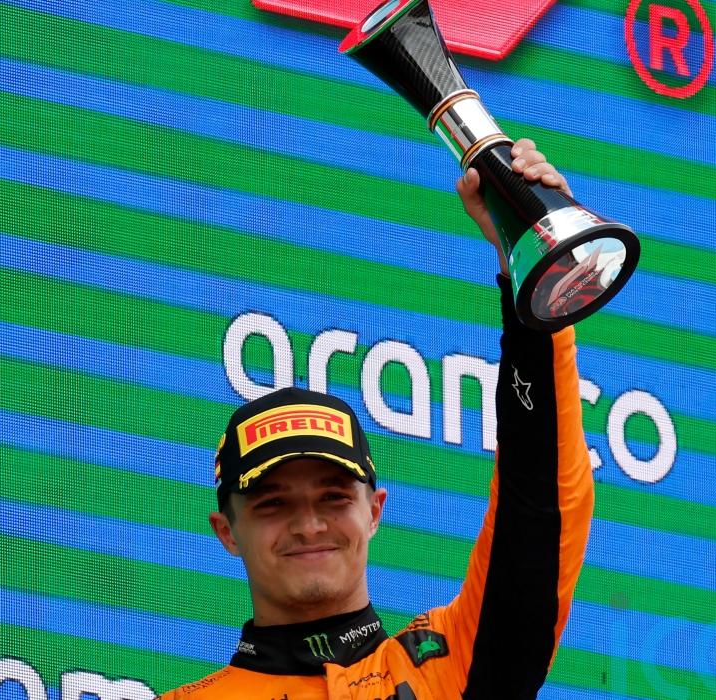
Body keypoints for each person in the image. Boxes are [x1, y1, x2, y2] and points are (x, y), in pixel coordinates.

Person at [159, 139, 594, 699]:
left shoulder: (447, 669)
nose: (309, 525)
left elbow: (538, 512)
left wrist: (533, 262)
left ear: (374, 511)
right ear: (227, 532)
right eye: (272, 504)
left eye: (334, 497)